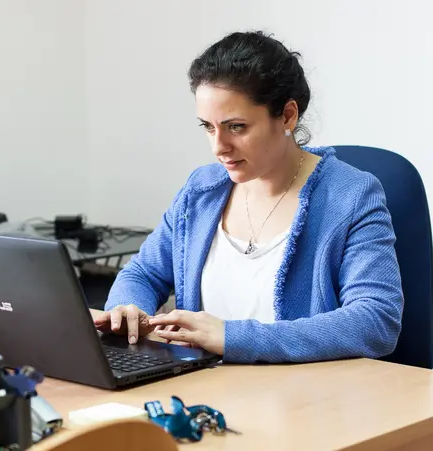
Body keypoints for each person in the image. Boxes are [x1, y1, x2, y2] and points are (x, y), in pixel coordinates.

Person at [93, 30, 404, 364]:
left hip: (302, 401)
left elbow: (375, 320)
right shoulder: (202, 189)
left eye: (236, 127)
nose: (218, 147)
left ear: (287, 116)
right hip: (202, 392)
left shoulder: (352, 196)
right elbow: (143, 274)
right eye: (208, 127)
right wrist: (127, 310)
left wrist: (231, 337)